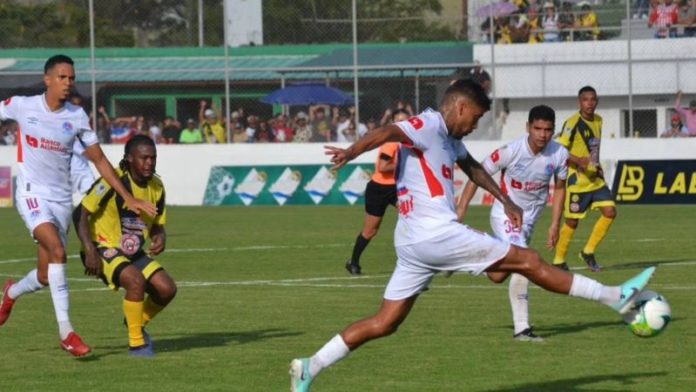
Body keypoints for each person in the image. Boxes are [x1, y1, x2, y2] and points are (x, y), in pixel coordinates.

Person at [289, 79, 656, 391]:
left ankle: (310, 366)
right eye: (476, 118)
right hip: (434, 234)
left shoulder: (449, 139)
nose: (476, 126)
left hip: (414, 241)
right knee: (526, 259)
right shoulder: (430, 125)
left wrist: (505, 200)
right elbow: (389, 132)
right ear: (461, 108)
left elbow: (475, 169)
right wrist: (352, 151)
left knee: (385, 322)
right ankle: (615, 298)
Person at [0, 54, 156, 357]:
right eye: (62, 77)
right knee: (59, 253)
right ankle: (67, 332)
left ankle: (10, 293)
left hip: (60, 200)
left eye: (71, 78)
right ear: (47, 79)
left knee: (46, 275)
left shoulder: (77, 116)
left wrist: (127, 196)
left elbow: (98, 159)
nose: (68, 82)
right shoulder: (22, 105)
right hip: (31, 193)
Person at [457, 105, 568, 342]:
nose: (542, 134)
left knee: (498, 276)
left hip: (529, 220)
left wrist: (555, 224)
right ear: (528, 127)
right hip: (505, 214)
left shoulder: (559, 155)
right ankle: (522, 329)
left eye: (548, 130)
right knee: (525, 263)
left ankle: (468, 255)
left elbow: (560, 189)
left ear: (553, 130)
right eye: (537, 128)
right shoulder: (511, 151)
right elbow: (478, 173)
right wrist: (462, 208)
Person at [73, 135, 176, 357]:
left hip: (132, 252)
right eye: (144, 158)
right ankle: (137, 344)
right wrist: (89, 250)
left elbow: (157, 224)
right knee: (135, 281)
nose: (149, 162)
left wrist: (160, 237)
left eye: (153, 158)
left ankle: (136, 321)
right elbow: (79, 213)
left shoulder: (157, 187)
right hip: (102, 247)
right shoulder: (112, 182)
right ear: (129, 159)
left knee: (167, 289)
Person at [552, 86, 614, 272]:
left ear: (597, 101)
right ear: (579, 102)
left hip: (595, 179)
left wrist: (597, 166)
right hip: (577, 181)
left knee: (610, 211)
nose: (589, 103)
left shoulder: (599, 120)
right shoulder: (572, 123)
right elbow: (559, 151)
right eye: (586, 99)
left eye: (593, 99)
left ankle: (588, 252)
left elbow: (594, 147)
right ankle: (558, 260)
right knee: (572, 222)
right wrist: (578, 160)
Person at [345, 109, 409, 276]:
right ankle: (353, 262)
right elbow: (382, 167)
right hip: (379, 189)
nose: (402, 123)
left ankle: (412, 268)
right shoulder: (391, 143)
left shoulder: (407, 142)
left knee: (411, 218)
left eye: (405, 120)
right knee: (370, 231)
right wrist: (405, 164)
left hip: (396, 189)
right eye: (398, 120)